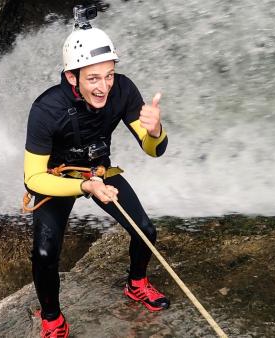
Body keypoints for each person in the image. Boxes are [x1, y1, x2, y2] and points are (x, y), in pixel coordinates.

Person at [23, 12, 169, 338]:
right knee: (45, 253)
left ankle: (137, 284)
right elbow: (33, 178)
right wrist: (83, 186)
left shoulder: (124, 91)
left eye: (109, 75)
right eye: (93, 78)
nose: (103, 87)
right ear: (72, 77)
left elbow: (153, 149)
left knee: (145, 230)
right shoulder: (47, 110)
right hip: (57, 178)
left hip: (99, 170)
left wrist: (155, 130)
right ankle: (52, 319)